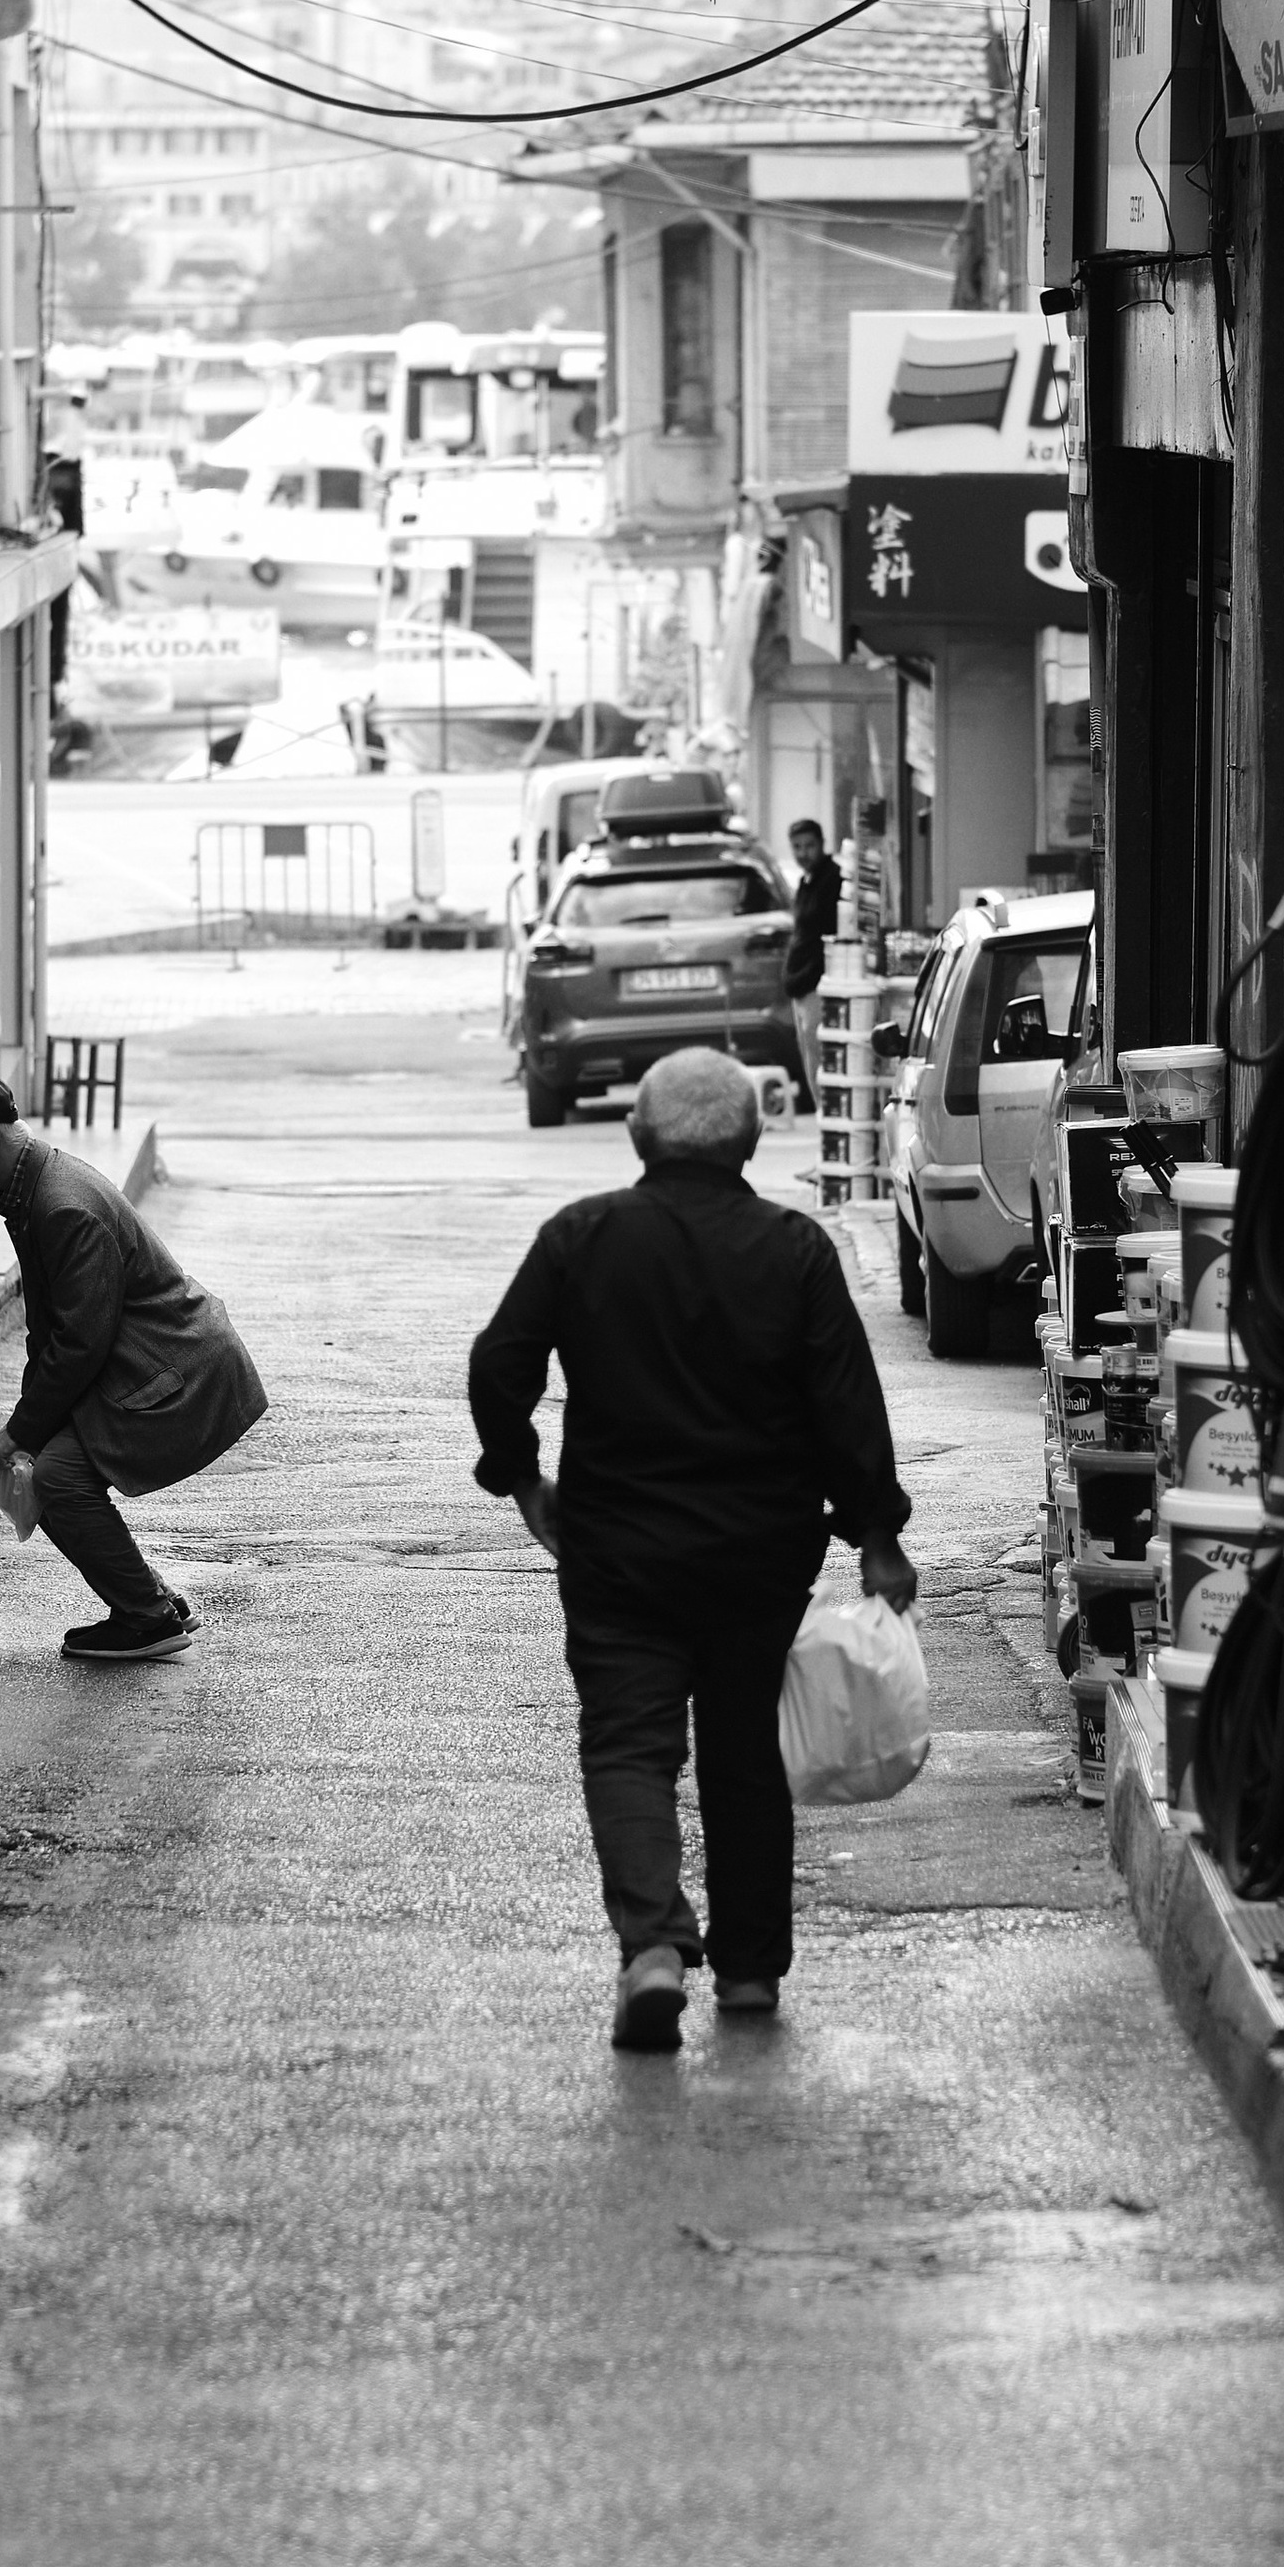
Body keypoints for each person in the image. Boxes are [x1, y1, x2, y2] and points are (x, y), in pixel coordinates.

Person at [466, 1046, 915, 2053]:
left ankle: (653, 1949)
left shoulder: (581, 1236)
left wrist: (522, 1475)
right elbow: (845, 1400)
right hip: (762, 1553)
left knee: (628, 1742)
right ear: (752, 1141)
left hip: (616, 1548)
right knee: (745, 1747)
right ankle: (750, 1973)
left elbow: (499, 1363)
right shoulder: (795, 1249)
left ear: (636, 1134)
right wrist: (876, 1534)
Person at [0, 1071, 269, 1663]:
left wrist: (21, 1432)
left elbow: (80, 1342)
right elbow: (51, 1330)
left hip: (177, 1371)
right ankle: (150, 1602)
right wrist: (27, 1425)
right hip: (145, 1363)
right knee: (47, 1468)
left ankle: (145, 1616)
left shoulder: (61, 1205)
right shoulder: (33, 1188)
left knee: (55, 1477)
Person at [782, 817, 843, 1118]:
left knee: (820, 1063)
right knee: (809, 1062)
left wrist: (806, 977)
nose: (803, 853)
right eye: (797, 847)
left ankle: (828, 1137)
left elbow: (826, 940)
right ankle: (824, 1141)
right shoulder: (805, 882)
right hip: (800, 985)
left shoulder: (831, 880)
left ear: (822, 845)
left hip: (815, 985)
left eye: (809, 846)